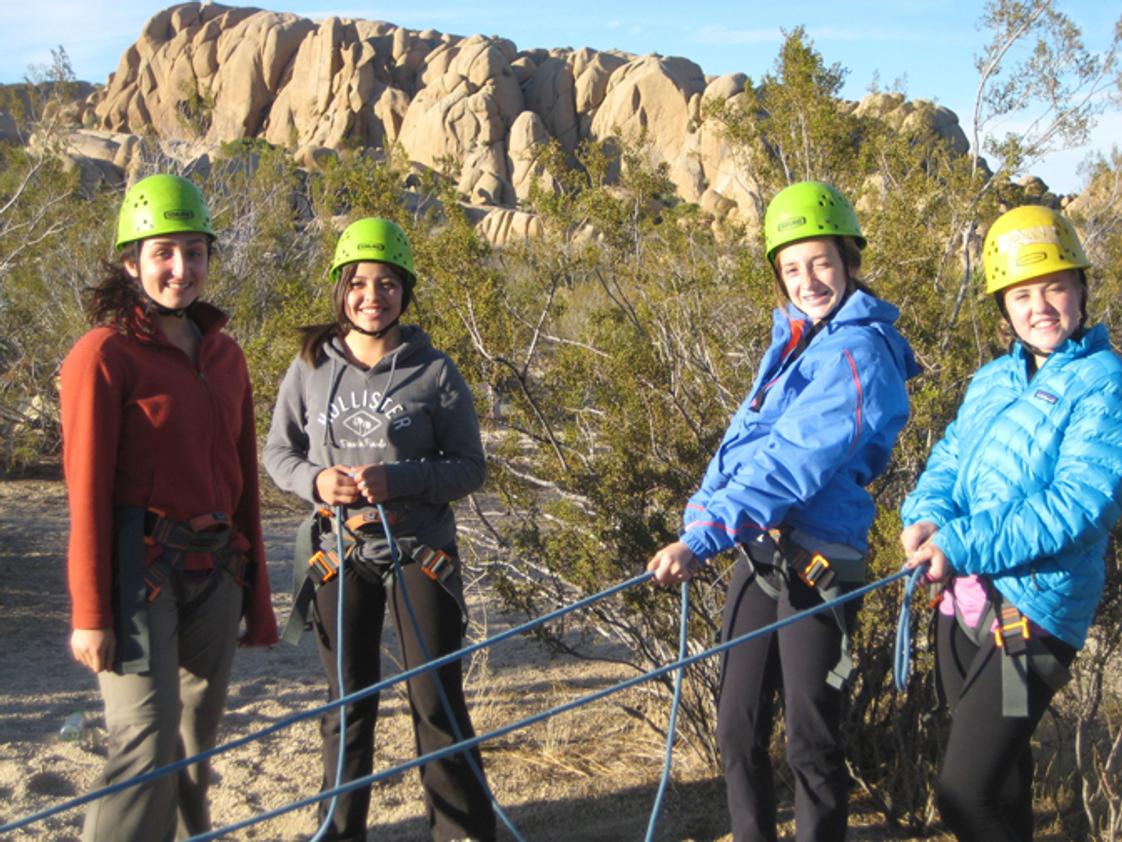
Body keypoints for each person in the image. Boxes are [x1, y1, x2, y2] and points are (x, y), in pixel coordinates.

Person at [648, 181, 919, 841]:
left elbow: (796, 457)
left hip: (820, 561)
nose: (809, 279)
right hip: (761, 551)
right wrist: (705, 508)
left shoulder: (859, 352)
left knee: (811, 738)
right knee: (736, 726)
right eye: (792, 268)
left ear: (850, 262)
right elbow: (748, 439)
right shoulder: (796, 341)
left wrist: (706, 534)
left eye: (821, 262)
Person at [60, 173, 278, 841]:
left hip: (215, 574)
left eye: (194, 251)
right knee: (144, 745)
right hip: (140, 571)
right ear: (132, 262)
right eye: (162, 252)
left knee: (192, 749)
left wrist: (258, 599)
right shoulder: (104, 356)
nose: (180, 268)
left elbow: (243, 480)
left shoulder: (225, 355)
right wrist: (91, 614)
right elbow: (86, 492)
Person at [263, 217, 495, 842]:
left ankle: (463, 834)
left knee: (435, 697)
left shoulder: (435, 372)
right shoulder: (311, 367)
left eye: (387, 283)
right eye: (359, 283)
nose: (373, 296)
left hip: (419, 550)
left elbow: (470, 467)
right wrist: (315, 482)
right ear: (340, 289)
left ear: (406, 292)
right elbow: (278, 453)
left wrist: (406, 479)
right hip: (339, 551)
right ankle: (338, 835)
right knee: (348, 704)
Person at [900, 204, 1122, 841]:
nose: (1041, 306)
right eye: (1022, 293)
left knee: (964, 793)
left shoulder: (1102, 382)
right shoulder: (994, 379)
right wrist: (926, 516)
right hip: (964, 607)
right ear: (1004, 307)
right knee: (1004, 782)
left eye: (1055, 286)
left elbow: (1080, 503)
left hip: (1036, 618)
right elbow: (950, 458)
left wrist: (961, 541)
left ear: (1081, 288)